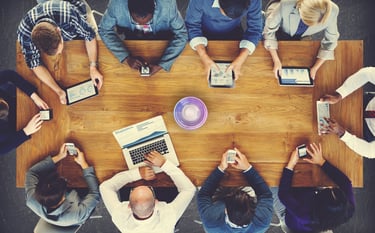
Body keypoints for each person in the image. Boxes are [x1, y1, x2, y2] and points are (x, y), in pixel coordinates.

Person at [17, 0, 103, 105]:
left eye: (59, 49)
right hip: (56, 18)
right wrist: (58, 91)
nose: (60, 53)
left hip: (76, 12)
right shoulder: (24, 32)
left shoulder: (69, 15)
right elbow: (34, 64)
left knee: (101, 48)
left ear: (58, 30)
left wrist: (93, 66)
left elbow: (89, 35)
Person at [99, 151, 196, 233]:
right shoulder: (169, 217)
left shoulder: (119, 216)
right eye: (149, 188)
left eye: (133, 189)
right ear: (156, 201)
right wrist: (164, 164)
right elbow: (189, 189)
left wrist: (137, 174)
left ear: (129, 205)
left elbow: (105, 187)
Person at [273, 143, 355, 232]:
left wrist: (291, 164)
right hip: (306, 200)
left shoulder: (304, 215)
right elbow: (346, 183)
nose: (330, 186)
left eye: (327, 190)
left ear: (318, 200)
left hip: (289, 212)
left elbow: (283, 194)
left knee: (268, 181)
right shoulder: (348, 208)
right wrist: (322, 162)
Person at [99, 0, 188, 76]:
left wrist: (162, 65)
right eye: (136, 20)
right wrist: (125, 57)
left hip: (162, 40)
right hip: (132, 40)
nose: (142, 25)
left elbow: (182, 34)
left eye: (148, 20)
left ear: (154, 8)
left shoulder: (168, 4)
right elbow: (104, 30)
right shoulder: (116, 5)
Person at [197, 148, 273, 232]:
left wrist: (221, 168)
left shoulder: (211, 222)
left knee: (202, 176)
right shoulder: (262, 222)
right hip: (244, 195)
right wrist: (248, 168)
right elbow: (266, 195)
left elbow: (203, 195)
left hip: (218, 198)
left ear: (225, 210)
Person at [185, 0, 263, 80]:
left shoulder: (255, 1)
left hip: (234, 34)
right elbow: (192, 25)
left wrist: (242, 57)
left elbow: (255, 29)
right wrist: (203, 55)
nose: (229, 19)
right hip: (202, 33)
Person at [25, 143, 101, 226]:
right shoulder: (77, 215)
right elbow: (95, 194)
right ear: (64, 197)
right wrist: (84, 164)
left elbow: (31, 172)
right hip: (76, 214)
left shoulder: (32, 200)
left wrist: (60, 156)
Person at [263, 0, 339, 79]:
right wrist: (276, 60)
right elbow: (269, 31)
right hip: (279, 17)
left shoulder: (333, 11)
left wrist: (315, 68)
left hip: (303, 33)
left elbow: (331, 42)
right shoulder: (286, 4)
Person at [320, 67, 375, 159]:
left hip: (361, 131)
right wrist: (340, 94)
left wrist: (342, 133)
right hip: (360, 102)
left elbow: (370, 151)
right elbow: (367, 73)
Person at [0, 70, 48, 155]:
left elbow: (9, 74)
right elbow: (2, 149)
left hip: (16, 101)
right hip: (11, 130)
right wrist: (25, 132)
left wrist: (33, 96)